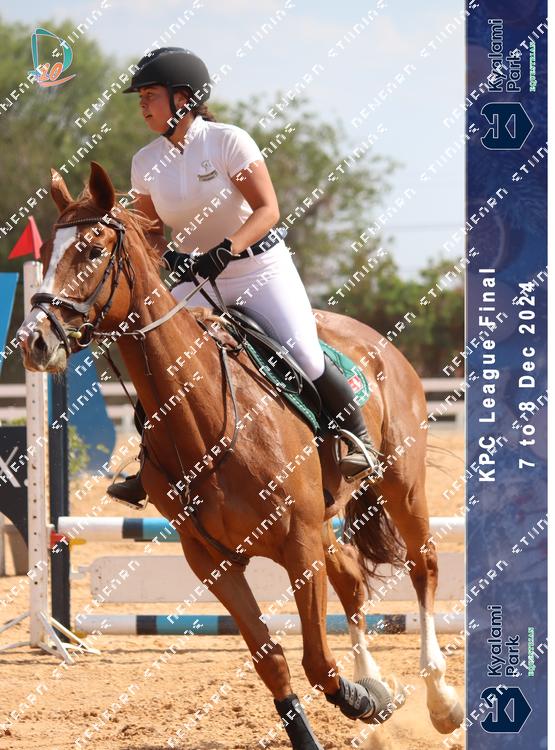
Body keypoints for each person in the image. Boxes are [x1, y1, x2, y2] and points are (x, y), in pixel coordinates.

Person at [107, 47, 378, 506]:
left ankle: (358, 440)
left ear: (183, 98)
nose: (142, 105)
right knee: (161, 364)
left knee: (304, 355)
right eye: (141, 98)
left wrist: (227, 248)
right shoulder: (145, 161)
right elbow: (150, 232)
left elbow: (267, 209)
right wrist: (166, 258)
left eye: (150, 95)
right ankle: (149, 462)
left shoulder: (228, 141)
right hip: (196, 278)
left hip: (257, 267)